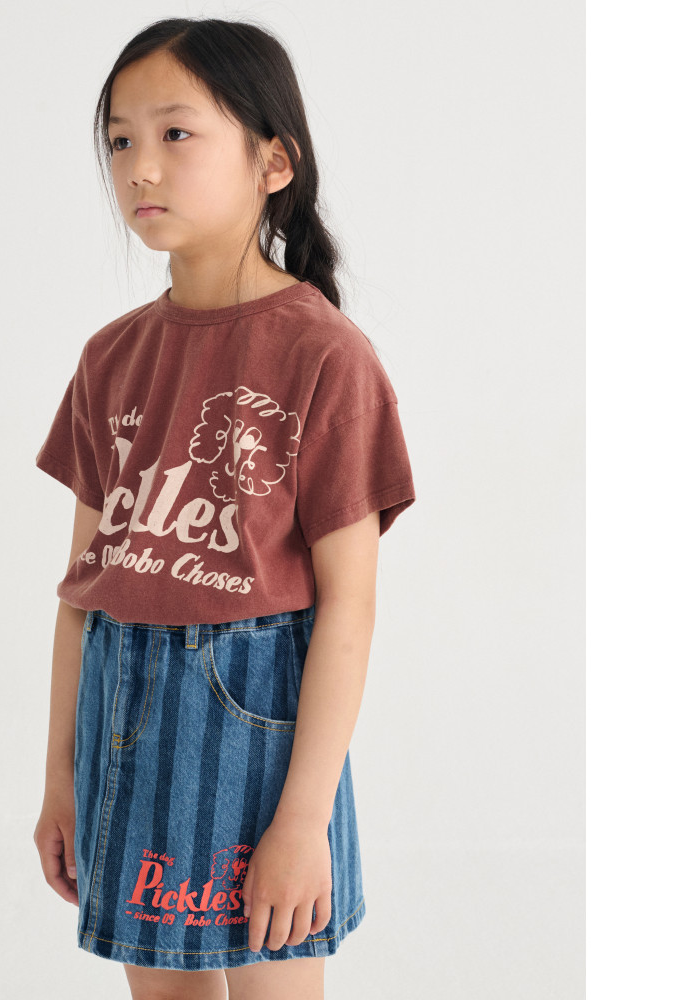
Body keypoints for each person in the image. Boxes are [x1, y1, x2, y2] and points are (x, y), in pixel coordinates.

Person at [32, 17, 416, 1000]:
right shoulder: (110, 358)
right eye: (120, 139)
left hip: (263, 738)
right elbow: (82, 594)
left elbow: (349, 607)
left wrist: (303, 818)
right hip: (124, 716)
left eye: (176, 133)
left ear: (273, 161)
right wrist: (60, 777)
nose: (139, 166)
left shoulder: (325, 356)